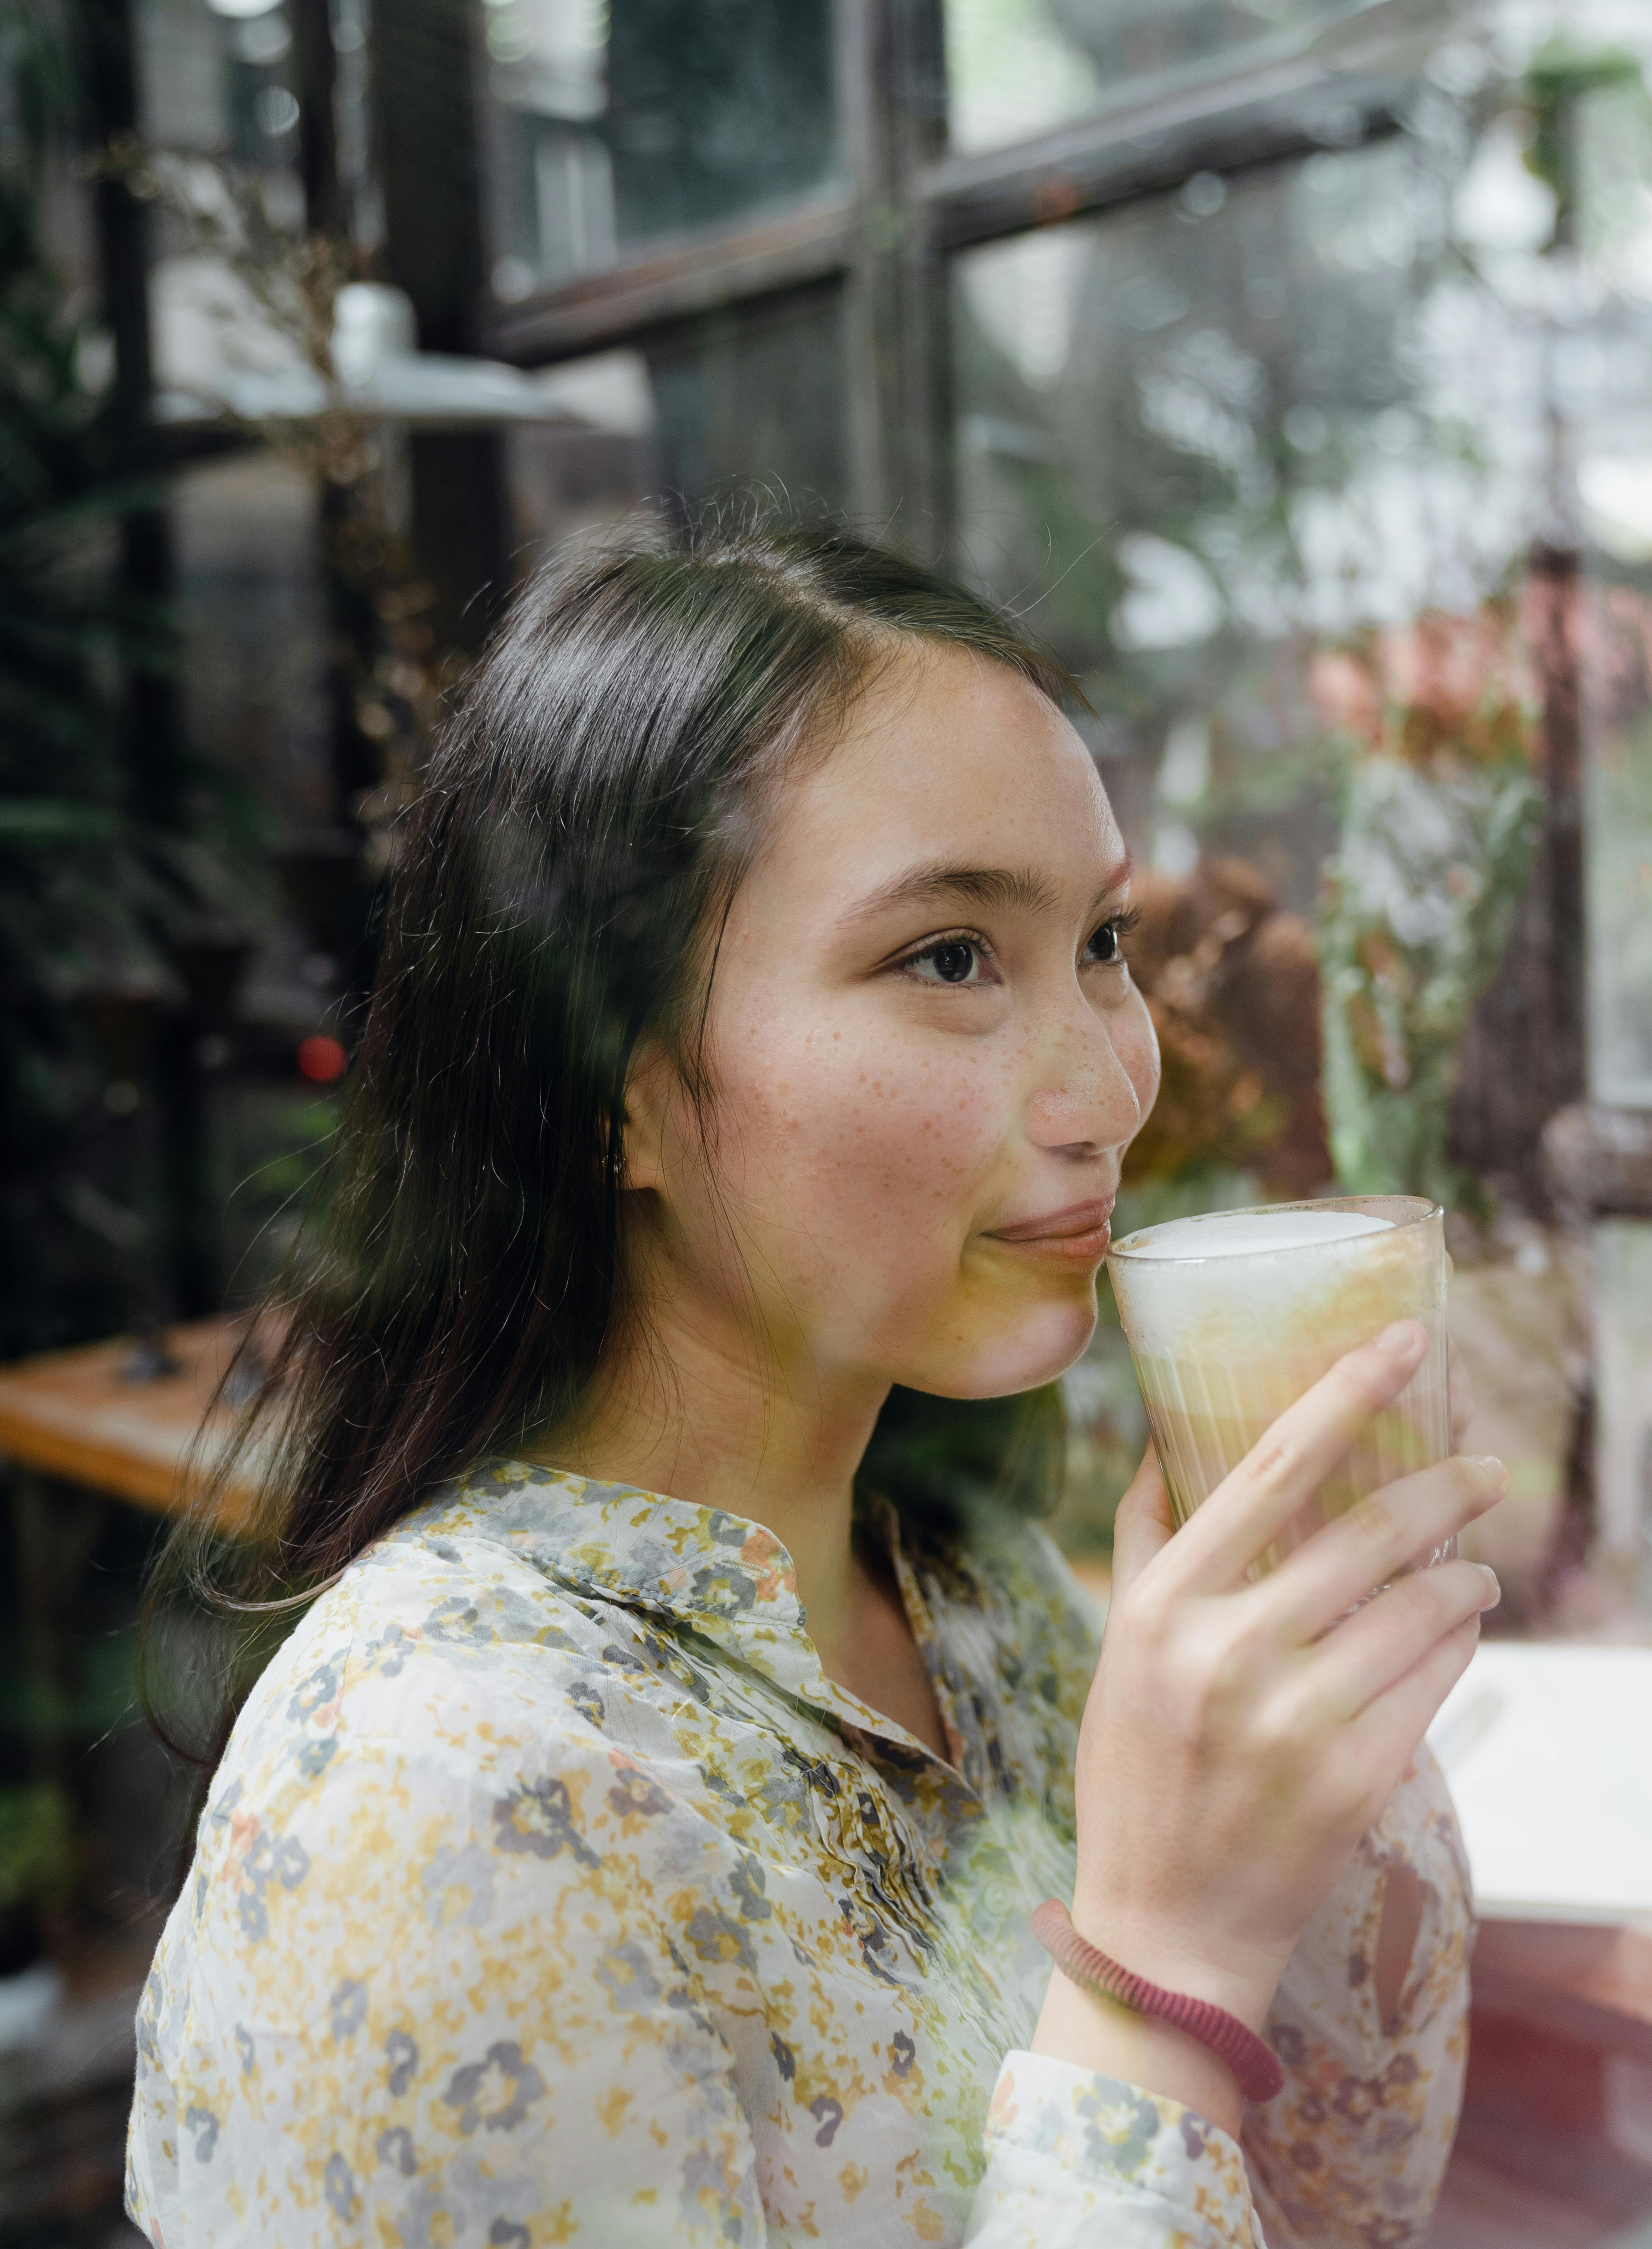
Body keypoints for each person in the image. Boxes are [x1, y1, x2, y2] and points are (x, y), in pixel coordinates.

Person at [126, 523, 1505, 2246]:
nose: (1107, 1087)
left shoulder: (974, 1594)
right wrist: (1154, 1978)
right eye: (946, 958)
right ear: (611, 1084)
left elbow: (1340, 2206)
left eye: (1103, 941)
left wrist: (1314, 1713)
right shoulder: (439, 1793)